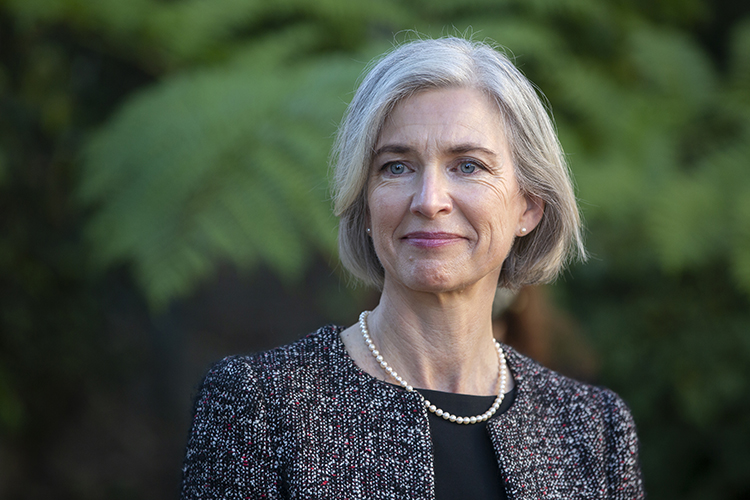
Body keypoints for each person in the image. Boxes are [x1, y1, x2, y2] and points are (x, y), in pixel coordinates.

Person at [181, 36, 644, 499]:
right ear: (364, 201)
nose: (429, 201)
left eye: (467, 165)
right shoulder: (259, 404)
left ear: (529, 206)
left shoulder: (592, 428)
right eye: (397, 167)